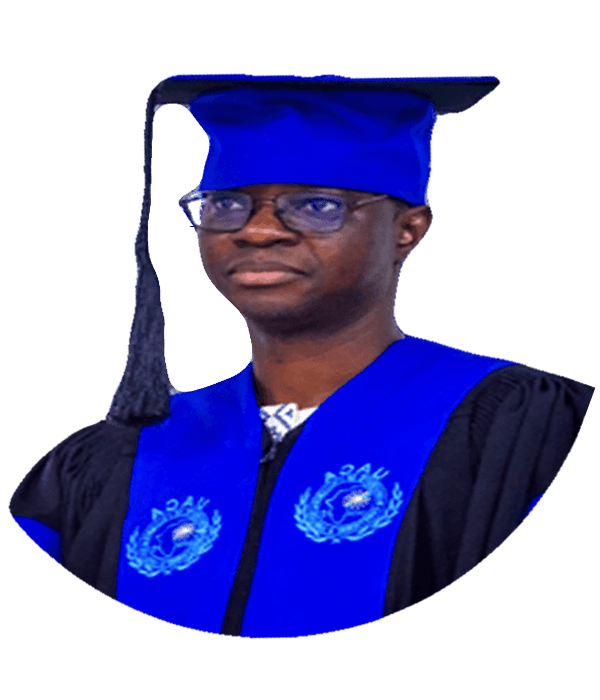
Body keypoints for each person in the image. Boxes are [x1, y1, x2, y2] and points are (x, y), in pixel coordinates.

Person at [9, 73, 595, 639]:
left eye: (316, 205)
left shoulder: (521, 428)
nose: (258, 231)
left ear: (408, 230)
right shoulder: (112, 459)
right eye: (227, 203)